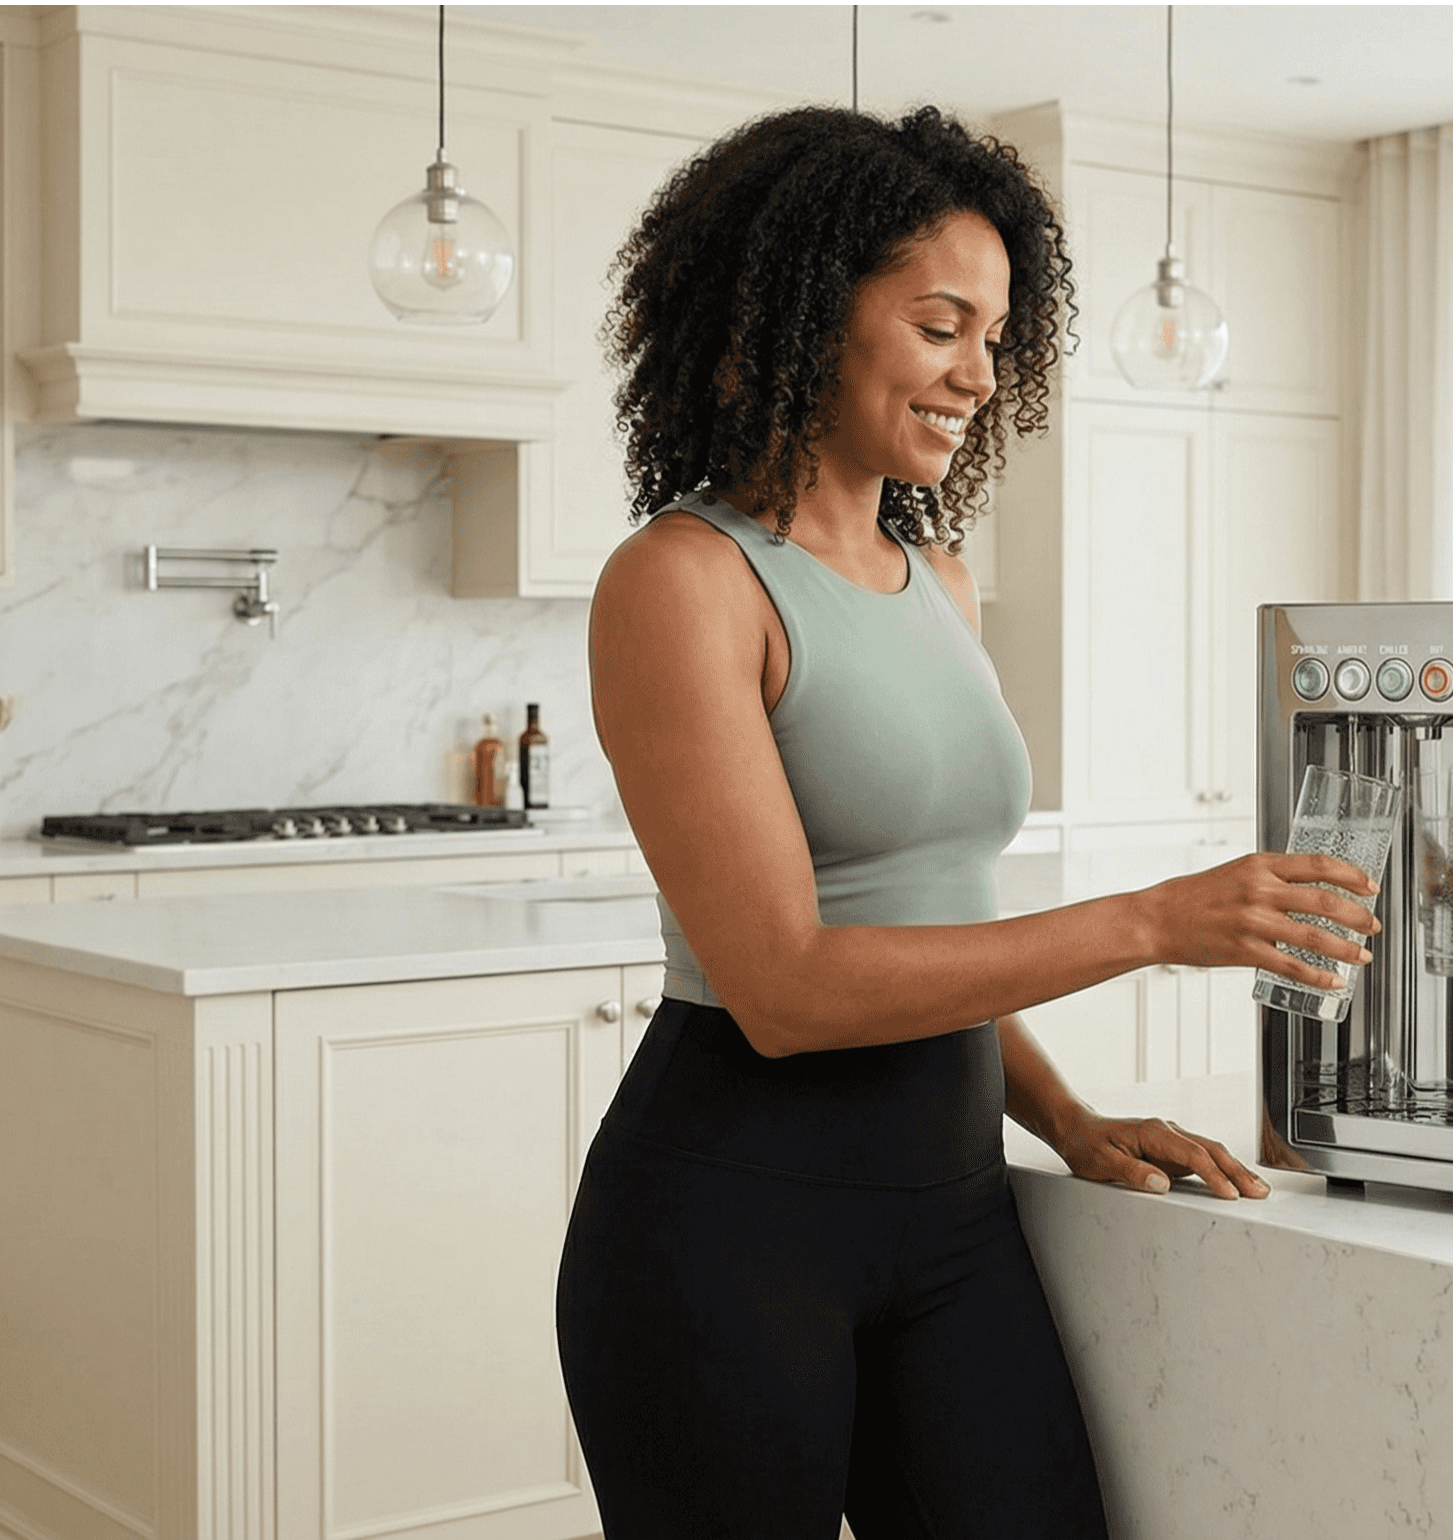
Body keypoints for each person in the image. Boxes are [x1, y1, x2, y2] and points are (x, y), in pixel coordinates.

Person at [558, 104, 1381, 1540]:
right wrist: (1152, 923)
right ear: (813, 312)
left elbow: (925, 923)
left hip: (951, 1215)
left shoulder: (937, 581)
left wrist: (1060, 1113)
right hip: (727, 1230)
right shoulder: (683, 582)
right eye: (943, 325)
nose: (979, 377)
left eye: (998, 338)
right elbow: (791, 988)